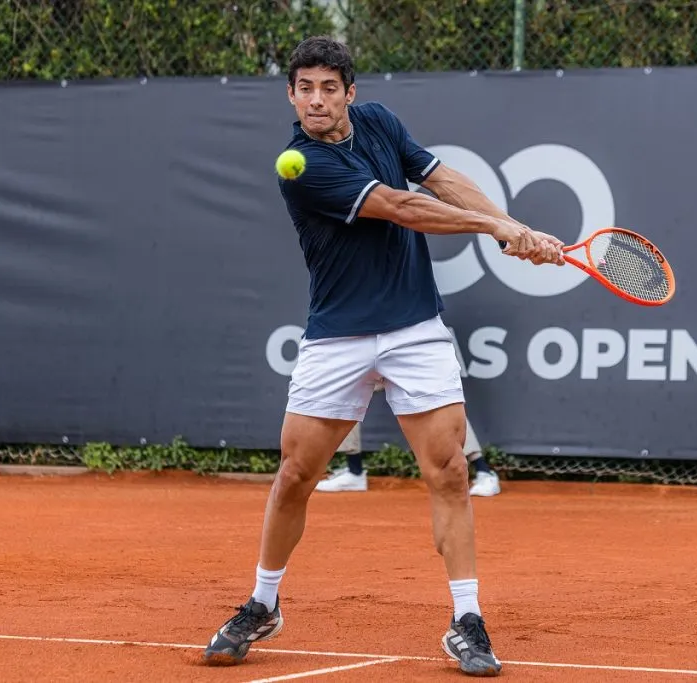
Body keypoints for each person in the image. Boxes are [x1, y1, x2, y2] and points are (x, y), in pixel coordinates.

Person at [202, 35, 563, 677]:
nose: (316, 99)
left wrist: (513, 225)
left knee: (449, 470)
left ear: (349, 93)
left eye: (328, 87)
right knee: (295, 477)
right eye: (304, 88)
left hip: (414, 328)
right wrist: (500, 230)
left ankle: (466, 619)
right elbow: (402, 207)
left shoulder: (380, 122)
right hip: (336, 336)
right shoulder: (302, 166)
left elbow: (439, 178)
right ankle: (262, 603)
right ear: (291, 95)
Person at [316, 405, 502, 496]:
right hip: (371, 346)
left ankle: (484, 472)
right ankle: (354, 472)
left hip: (408, 345)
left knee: (442, 406)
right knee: (346, 394)